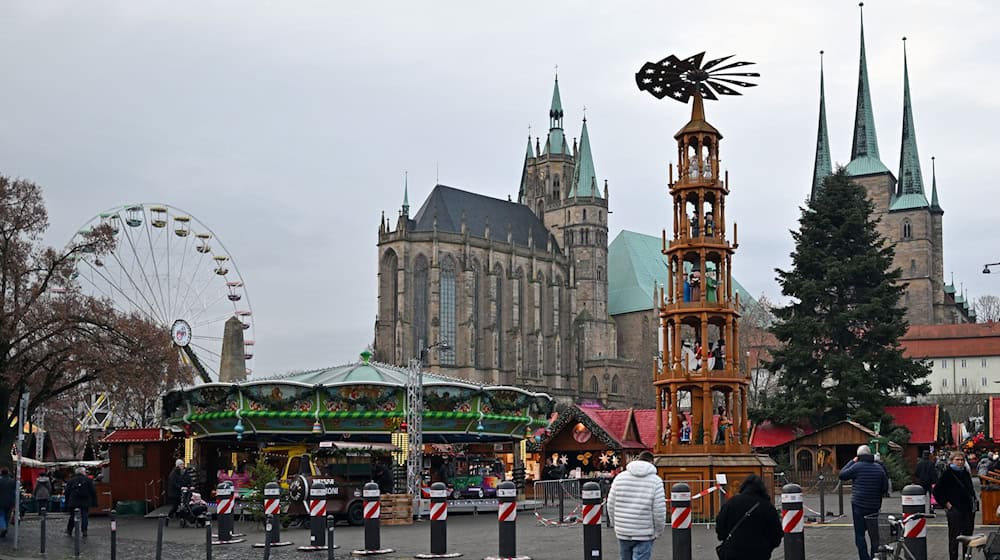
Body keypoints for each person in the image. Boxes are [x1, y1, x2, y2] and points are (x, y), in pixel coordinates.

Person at [606, 451, 666, 560]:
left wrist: (616, 524)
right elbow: (659, 510)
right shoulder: (656, 481)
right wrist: (658, 531)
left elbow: (610, 503)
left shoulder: (619, 478)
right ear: (652, 462)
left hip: (623, 530)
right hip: (644, 532)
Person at [838, 444, 889, 560]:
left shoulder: (856, 467)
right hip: (874, 507)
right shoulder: (879, 468)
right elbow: (885, 488)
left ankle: (864, 558)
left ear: (858, 456)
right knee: (874, 536)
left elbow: (842, 475)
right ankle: (875, 557)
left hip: (858, 506)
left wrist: (852, 461)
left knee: (860, 535)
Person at [715, 474, 782, 560]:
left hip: (732, 552)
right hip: (759, 553)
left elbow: (720, 528)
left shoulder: (731, 503)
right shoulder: (767, 507)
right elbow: (776, 534)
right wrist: (767, 547)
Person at [933, 451, 977, 560]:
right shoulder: (947, 474)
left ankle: (966, 557)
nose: (960, 462)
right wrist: (947, 504)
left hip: (968, 509)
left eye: (962, 460)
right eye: (957, 460)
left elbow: (970, 490)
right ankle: (953, 557)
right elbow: (937, 491)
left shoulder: (965, 473)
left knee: (967, 536)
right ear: (952, 461)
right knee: (955, 537)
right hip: (955, 510)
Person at [64, 467, 97, 537]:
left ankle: (69, 530)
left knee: (72, 516)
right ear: (83, 472)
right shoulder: (88, 480)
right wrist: (94, 501)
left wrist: (67, 501)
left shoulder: (71, 480)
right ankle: (84, 530)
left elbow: (67, 492)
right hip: (85, 500)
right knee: (84, 516)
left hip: (74, 500)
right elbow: (93, 491)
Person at [0, 468, 15, 538]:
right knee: (7, 516)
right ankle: (5, 527)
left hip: (1, 501)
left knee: (1, 515)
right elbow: (15, 492)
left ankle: (3, 527)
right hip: (10, 501)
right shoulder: (12, 481)